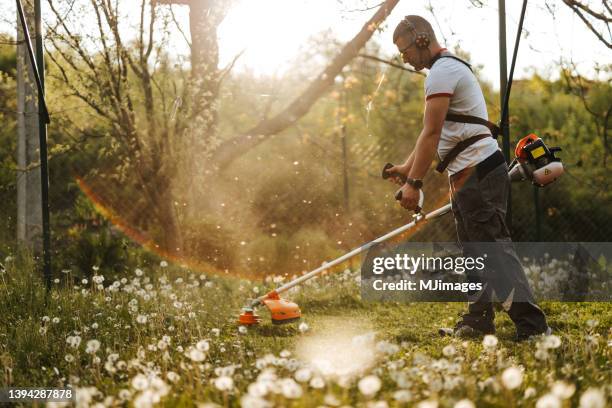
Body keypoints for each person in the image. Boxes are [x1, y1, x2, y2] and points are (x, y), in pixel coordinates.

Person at [386, 15, 551, 341]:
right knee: (476, 253)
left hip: (477, 172)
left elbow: (432, 134)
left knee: (493, 251)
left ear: (421, 39)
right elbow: (433, 134)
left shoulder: (443, 72)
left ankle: (534, 327)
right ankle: (477, 321)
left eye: (404, 49)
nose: (403, 58)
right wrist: (407, 169)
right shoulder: (444, 71)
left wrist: (414, 185)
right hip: (467, 174)